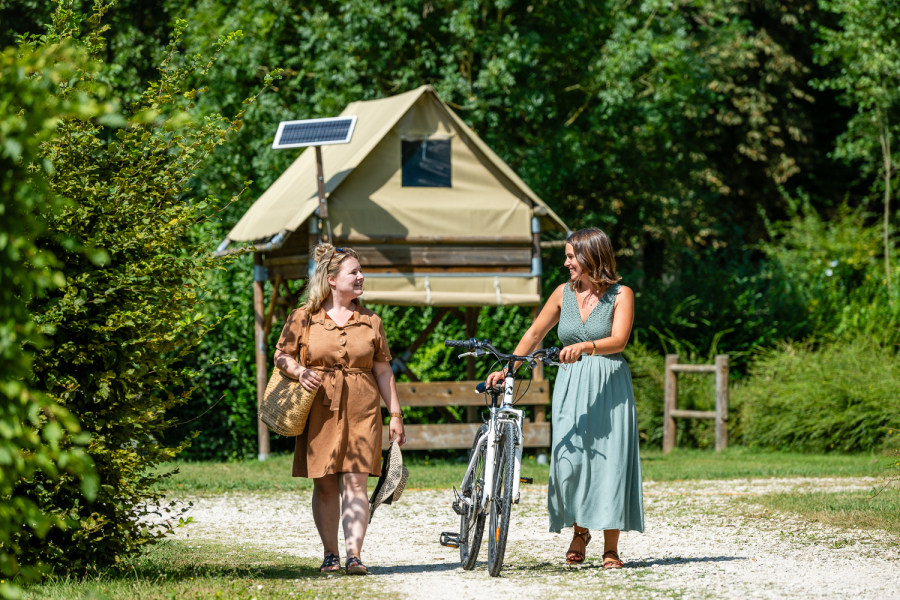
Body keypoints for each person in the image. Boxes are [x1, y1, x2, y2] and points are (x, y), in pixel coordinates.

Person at [486, 227, 643, 568]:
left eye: (571, 256)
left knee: (610, 463)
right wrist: (508, 370)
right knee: (568, 461)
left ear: (591, 256)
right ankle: (580, 531)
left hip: (609, 385)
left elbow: (619, 340)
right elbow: (534, 333)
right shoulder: (562, 293)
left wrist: (586, 346)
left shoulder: (622, 294)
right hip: (571, 385)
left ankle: (611, 548)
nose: (566, 262)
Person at [273, 244, 406, 576]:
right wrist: (299, 371)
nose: (361, 277)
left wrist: (395, 414)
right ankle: (330, 554)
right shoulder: (303, 317)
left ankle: (354, 555)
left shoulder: (372, 320)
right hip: (319, 409)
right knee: (325, 484)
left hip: (363, 409)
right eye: (354, 272)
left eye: (361, 271)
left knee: (357, 482)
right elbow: (281, 356)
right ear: (331, 279)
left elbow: (383, 371)